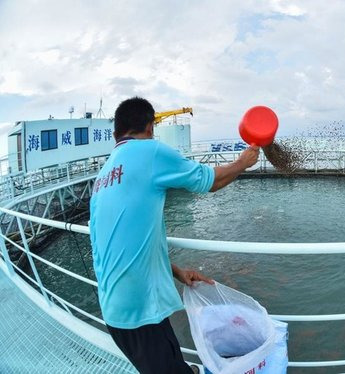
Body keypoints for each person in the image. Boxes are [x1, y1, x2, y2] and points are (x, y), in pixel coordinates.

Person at [89, 97, 260, 374]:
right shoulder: (149, 152)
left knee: (170, 361)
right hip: (138, 310)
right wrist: (243, 162)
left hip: (116, 310)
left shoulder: (103, 177)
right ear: (150, 127)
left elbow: (122, 243)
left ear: (114, 134)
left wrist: (177, 271)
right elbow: (211, 181)